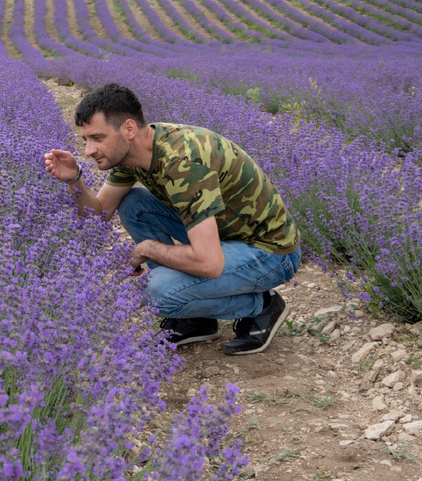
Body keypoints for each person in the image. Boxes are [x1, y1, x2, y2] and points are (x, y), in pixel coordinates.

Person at [43, 83, 300, 355]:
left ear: (128, 129)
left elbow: (209, 263)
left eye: (97, 138)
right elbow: (98, 216)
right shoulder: (135, 152)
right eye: (85, 140)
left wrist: (147, 249)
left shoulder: (183, 162)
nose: (88, 150)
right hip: (224, 235)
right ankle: (196, 318)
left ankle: (263, 305)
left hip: (269, 252)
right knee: (133, 204)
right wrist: (74, 180)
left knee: (155, 292)